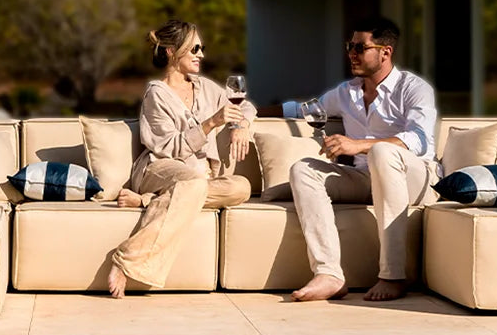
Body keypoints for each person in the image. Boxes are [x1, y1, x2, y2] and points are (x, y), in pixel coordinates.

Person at [289, 17, 437, 302]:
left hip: (415, 179)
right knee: (303, 169)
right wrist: (246, 111)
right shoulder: (346, 93)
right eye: (349, 47)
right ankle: (329, 274)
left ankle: (393, 276)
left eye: (360, 47)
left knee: (381, 152)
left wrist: (358, 145)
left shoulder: (413, 88)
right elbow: (301, 109)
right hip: (366, 177)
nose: (352, 54)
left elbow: (419, 140)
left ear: (385, 52)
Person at [107, 19, 254, 298]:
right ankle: (126, 261)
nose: (202, 55)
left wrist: (241, 126)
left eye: (202, 48)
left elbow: (245, 107)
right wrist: (211, 123)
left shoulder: (206, 87)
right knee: (193, 184)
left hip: (198, 179)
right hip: (160, 168)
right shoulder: (156, 94)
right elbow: (169, 148)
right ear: (172, 51)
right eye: (195, 49)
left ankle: (149, 201)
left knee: (241, 187)